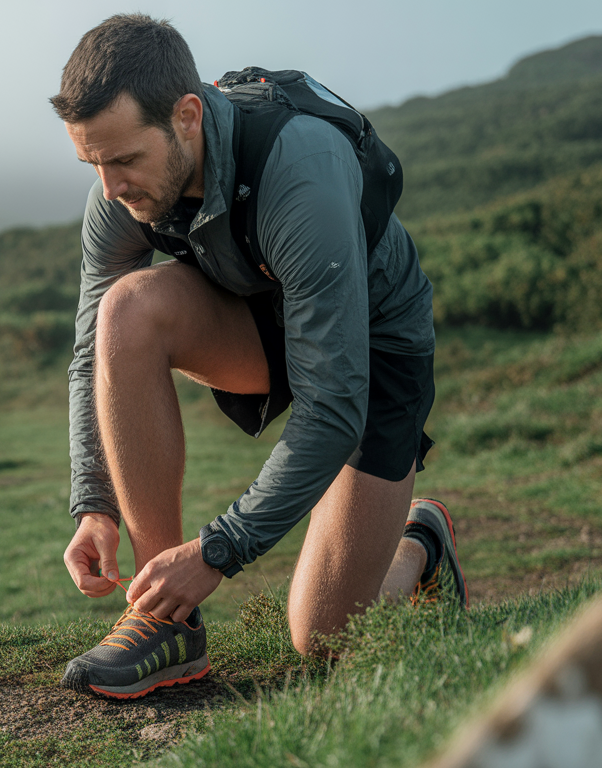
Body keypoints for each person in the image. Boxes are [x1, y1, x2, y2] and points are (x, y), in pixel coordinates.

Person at [51, 14, 467, 699]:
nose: (109, 186)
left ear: (187, 116)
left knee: (323, 636)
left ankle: (419, 542)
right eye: (91, 162)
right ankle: (165, 623)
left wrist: (218, 550)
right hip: (258, 317)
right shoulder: (119, 194)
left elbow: (333, 404)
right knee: (122, 310)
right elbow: (88, 353)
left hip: (371, 346)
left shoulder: (300, 171)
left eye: (124, 159)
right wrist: (94, 503)